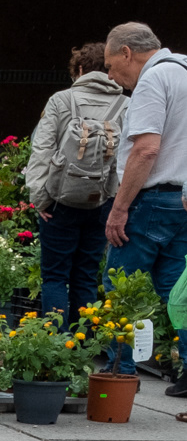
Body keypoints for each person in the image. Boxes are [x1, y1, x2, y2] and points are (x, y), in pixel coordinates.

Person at [102, 23, 187, 387]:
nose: (110, 74)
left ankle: (118, 371)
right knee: (176, 291)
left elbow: (146, 148)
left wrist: (120, 208)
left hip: (150, 200)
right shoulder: (184, 70)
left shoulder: (154, 80)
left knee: (122, 287)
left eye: (109, 65)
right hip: (181, 200)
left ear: (126, 52)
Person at [24, 43, 125, 330]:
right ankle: (86, 345)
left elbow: (41, 150)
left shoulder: (61, 100)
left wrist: (40, 198)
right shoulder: (125, 104)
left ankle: (55, 346)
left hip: (59, 202)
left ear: (79, 70)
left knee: (55, 277)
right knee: (86, 274)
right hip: (102, 202)